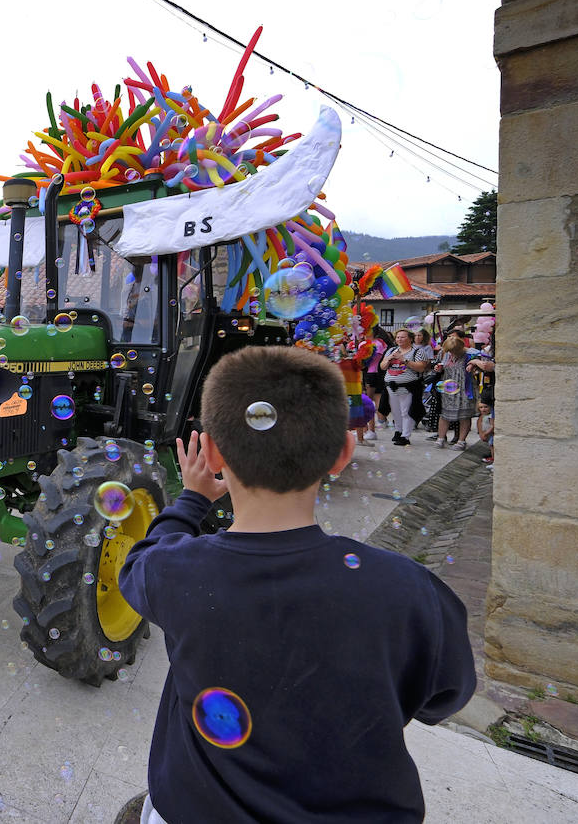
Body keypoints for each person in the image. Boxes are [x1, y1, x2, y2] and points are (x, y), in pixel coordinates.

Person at [118, 346, 475, 823]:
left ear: (213, 453)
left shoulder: (177, 571)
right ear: (343, 453)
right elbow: (445, 696)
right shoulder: (410, 590)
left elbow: (140, 559)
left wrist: (190, 500)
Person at [380, 328, 430, 446]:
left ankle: (405, 436)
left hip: (408, 387)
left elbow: (421, 367)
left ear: (410, 339)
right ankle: (398, 431)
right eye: (398, 337)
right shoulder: (391, 350)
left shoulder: (418, 351)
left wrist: (403, 359)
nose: (399, 339)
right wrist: (388, 360)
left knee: (406, 411)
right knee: (395, 411)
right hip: (391, 386)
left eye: (403, 337)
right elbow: (382, 366)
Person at [432, 335, 476, 450]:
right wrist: (439, 368)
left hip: (464, 389)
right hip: (448, 388)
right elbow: (438, 365)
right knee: (444, 414)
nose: (451, 353)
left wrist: (473, 364)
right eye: (449, 351)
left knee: (464, 416)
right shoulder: (445, 353)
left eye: (454, 351)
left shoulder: (470, 354)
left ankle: (461, 441)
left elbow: (481, 362)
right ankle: (441, 438)